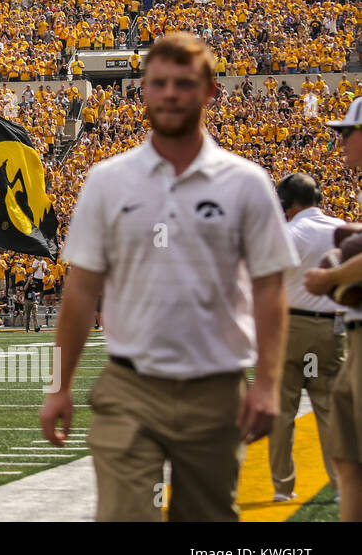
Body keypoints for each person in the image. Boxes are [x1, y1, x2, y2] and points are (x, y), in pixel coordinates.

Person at [41, 32, 297, 522]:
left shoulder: (246, 183)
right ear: (143, 92)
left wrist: (266, 384)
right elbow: (80, 293)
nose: (171, 93)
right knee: (124, 515)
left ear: (210, 92)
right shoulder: (108, 179)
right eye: (159, 83)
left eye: (185, 82)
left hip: (217, 386)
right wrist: (58, 385)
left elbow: (269, 289)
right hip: (129, 385)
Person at [303, 96, 362, 523]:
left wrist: (331, 279)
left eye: (347, 132)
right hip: (350, 336)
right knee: (347, 452)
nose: (339, 141)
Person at [271, 172, 345, 502]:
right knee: (330, 409)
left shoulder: (290, 232)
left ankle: (283, 488)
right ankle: (343, 485)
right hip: (332, 329)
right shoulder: (343, 229)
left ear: (286, 202)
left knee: (283, 411)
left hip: (292, 328)